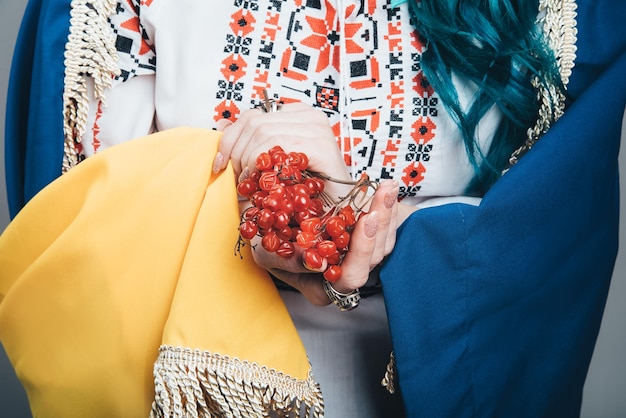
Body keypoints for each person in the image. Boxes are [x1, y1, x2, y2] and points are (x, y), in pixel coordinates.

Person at [2, 0, 625, 416]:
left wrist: (368, 237)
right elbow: (72, 231)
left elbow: (554, 233)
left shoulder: (570, 13)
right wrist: (260, 201)